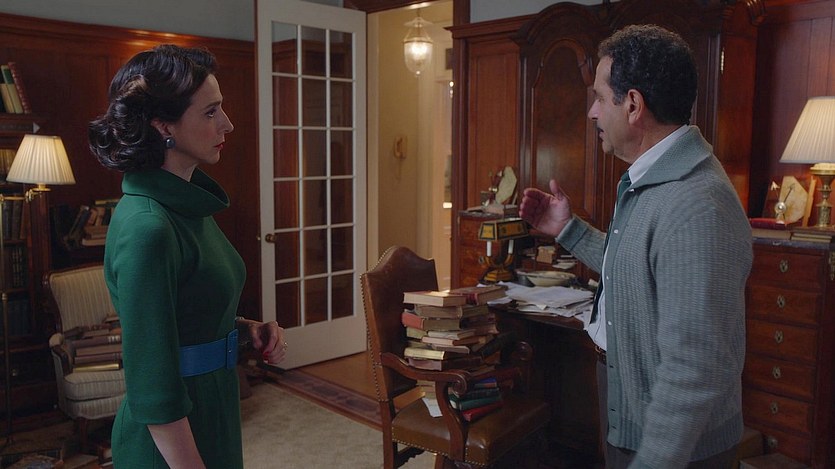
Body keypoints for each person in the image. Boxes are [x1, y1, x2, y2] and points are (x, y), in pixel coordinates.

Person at [519, 25, 752, 469]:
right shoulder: (654, 178)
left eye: (599, 98)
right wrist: (568, 230)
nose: (592, 112)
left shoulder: (695, 203)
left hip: (675, 446)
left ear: (632, 105)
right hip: (631, 413)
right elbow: (635, 267)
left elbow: (693, 369)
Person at [88, 44, 287, 469]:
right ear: (164, 125)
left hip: (213, 407)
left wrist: (242, 330)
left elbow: (184, 311)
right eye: (211, 112)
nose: (228, 123)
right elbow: (152, 382)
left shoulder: (186, 204)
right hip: (171, 440)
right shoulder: (148, 226)